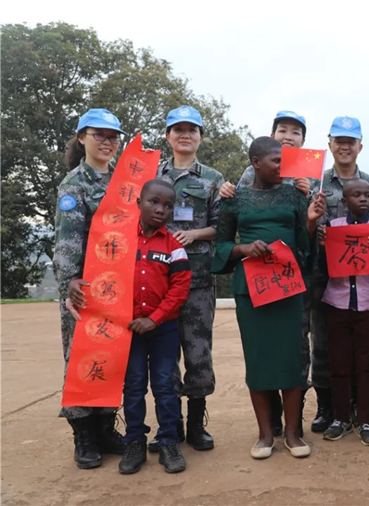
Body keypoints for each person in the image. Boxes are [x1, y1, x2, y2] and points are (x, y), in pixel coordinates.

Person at [67, 179, 193, 474]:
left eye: (168, 206)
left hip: (163, 329)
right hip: (127, 332)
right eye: (154, 202)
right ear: (138, 203)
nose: (160, 209)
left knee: (164, 385)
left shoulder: (174, 247)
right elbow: (97, 273)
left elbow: (179, 290)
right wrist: (74, 281)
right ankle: (135, 441)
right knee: (134, 385)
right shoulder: (117, 242)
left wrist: (155, 318)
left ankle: (168, 441)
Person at [211, 136, 325, 460]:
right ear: (255, 163)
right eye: (276, 160)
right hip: (251, 289)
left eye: (284, 161)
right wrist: (243, 248)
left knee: (291, 359)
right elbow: (221, 244)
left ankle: (292, 433)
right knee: (258, 359)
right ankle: (264, 434)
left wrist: (311, 220)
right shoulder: (234, 199)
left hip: (288, 285)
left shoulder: (295, 195)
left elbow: (303, 244)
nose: (282, 166)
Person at [54, 108, 127, 469]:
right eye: (99, 135)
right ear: (82, 137)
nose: (107, 142)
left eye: (113, 137)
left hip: (116, 286)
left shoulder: (123, 182)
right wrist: (69, 284)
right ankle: (83, 435)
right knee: (81, 358)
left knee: (111, 357)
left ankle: (106, 428)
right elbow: (67, 240)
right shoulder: (74, 184)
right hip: (83, 288)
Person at [150, 105, 223, 453]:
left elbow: (222, 227)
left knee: (198, 353)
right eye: (178, 129)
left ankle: (196, 424)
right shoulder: (152, 174)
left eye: (192, 130)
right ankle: (171, 424)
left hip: (197, 280)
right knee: (163, 358)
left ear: (200, 138)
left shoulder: (213, 179)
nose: (185, 135)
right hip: (157, 281)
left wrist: (195, 234)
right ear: (168, 136)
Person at [309, 116, 369, 433]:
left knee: (362, 356)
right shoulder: (316, 184)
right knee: (324, 347)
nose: (344, 146)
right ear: (329, 144)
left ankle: (358, 410)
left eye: (350, 141)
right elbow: (307, 228)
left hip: (364, 289)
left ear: (359, 146)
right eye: (339, 141)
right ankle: (327, 408)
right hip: (326, 282)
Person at [318, 179, 369, 446]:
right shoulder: (332, 227)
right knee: (338, 364)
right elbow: (322, 268)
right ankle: (341, 418)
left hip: (368, 305)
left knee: (365, 364)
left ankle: (366, 420)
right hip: (337, 303)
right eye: (356, 195)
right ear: (344, 201)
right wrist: (323, 247)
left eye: (367, 195)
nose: (362, 199)